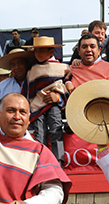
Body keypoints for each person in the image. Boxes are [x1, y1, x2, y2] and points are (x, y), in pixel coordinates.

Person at [24, 36, 70, 165]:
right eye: (36, 51)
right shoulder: (32, 70)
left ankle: (58, 162)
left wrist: (59, 98)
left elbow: (68, 89)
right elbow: (28, 91)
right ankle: (41, 163)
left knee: (56, 130)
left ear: (51, 52)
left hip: (54, 104)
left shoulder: (64, 68)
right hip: (36, 106)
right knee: (40, 134)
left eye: (42, 50)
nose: (38, 54)